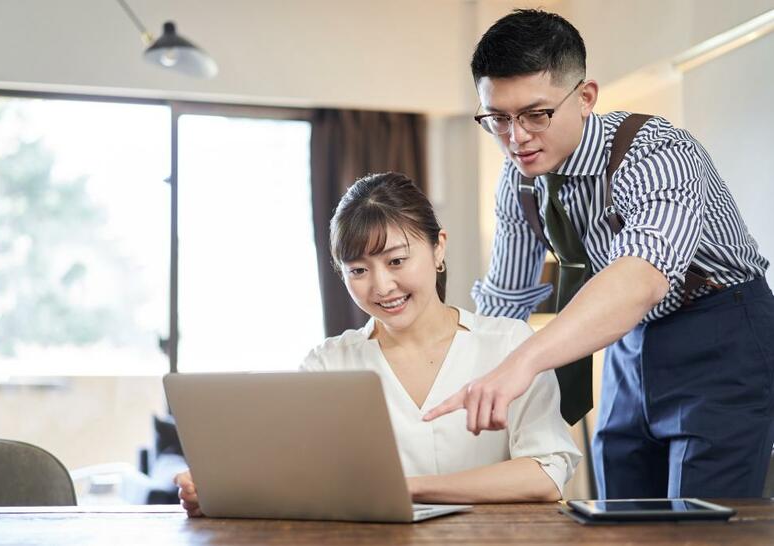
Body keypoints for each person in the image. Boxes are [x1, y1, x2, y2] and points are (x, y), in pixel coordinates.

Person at [424, 9, 774, 500]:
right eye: (497, 118)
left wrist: (524, 362)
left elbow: (640, 277)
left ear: (585, 97)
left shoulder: (655, 150)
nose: (516, 137)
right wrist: (452, 381)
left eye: (535, 114)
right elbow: (506, 301)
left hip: (724, 329)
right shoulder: (518, 182)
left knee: (701, 522)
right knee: (620, 513)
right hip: (628, 343)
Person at [175, 172, 580, 516]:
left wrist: (408, 488)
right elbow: (295, 475)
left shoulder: (508, 343)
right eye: (358, 270)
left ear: (438, 247)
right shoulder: (329, 363)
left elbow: (544, 474)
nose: (382, 286)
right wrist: (216, 490)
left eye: (397, 261)